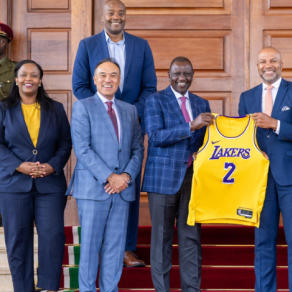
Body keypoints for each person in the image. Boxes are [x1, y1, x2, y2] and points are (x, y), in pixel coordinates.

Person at [72, 0, 157, 267]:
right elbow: (79, 85)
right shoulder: (87, 45)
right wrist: (101, 109)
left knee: (126, 185)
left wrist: (126, 113)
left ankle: (126, 248)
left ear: (125, 17)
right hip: (97, 125)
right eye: (111, 13)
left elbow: (150, 87)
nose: (116, 17)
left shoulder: (141, 46)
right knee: (102, 180)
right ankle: (98, 247)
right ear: (103, 17)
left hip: (129, 125)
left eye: (121, 13)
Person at [239, 46, 292, 292]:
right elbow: (242, 138)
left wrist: (275, 124)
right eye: (263, 61)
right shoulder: (246, 97)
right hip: (259, 178)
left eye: (273, 60)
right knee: (262, 241)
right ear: (257, 66)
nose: (268, 65)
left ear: (281, 65)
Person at [0, 60, 72, 292]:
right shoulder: (3, 109)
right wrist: (19, 166)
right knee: (18, 240)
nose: (29, 79)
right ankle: (23, 288)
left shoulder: (55, 109)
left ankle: (48, 286)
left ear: (40, 80)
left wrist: (52, 166)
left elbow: (65, 143)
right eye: (24, 75)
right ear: (16, 79)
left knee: (53, 236)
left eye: (34, 75)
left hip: (50, 185)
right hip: (12, 185)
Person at [67, 58, 144, 292]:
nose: (108, 79)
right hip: (93, 188)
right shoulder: (83, 106)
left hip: (123, 190)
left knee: (115, 246)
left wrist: (126, 177)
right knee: (90, 246)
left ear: (119, 80)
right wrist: (110, 176)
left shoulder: (129, 110)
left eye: (113, 75)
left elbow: (137, 148)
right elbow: (82, 148)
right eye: (102, 75)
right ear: (94, 79)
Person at [143, 56, 212, 292]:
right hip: (162, 180)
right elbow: (155, 136)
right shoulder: (154, 101)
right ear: (169, 75)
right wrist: (190, 126)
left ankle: (191, 289)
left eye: (187, 73)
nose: (182, 78)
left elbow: (207, 143)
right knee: (161, 239)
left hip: (193, 180)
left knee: (191, 238)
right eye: (177, 73)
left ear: (193, 75)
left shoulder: (202, 103)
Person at [0, 20, 16, 227]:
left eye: (1, 40)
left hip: (7, 130)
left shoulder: (16, 69)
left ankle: (2, 216)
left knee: (6, 171)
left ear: (7, 43)